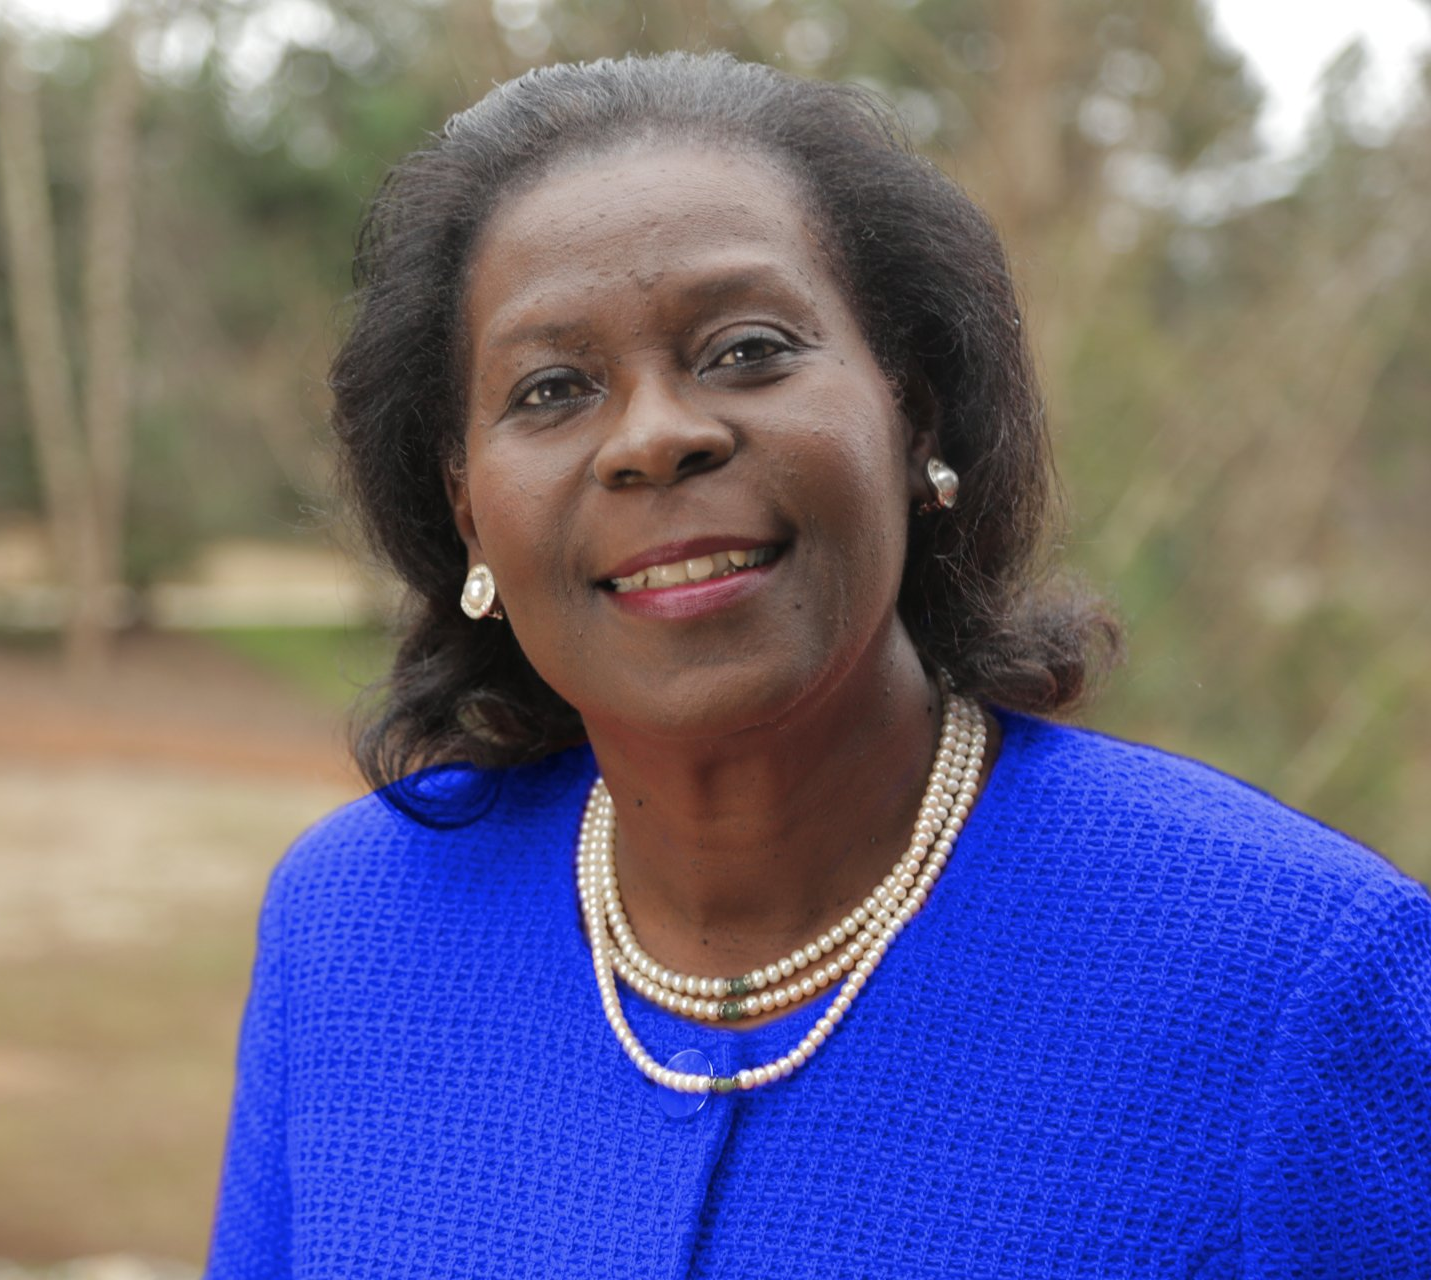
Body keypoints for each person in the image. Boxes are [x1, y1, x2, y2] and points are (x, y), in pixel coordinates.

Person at [206, 52, 1431, 1279]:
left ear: (918, 417)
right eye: (553, 387)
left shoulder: (1293, 981)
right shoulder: (349, 931)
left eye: (745, 349)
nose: (655, 436)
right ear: (467, 509)